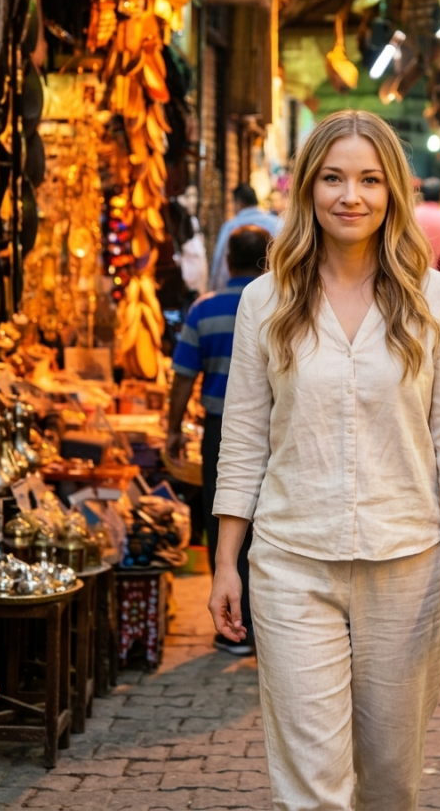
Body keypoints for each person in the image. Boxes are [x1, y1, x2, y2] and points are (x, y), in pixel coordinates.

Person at [209, 110, 440, 811]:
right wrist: (224, 562)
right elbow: (242, 439)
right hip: (290, 563)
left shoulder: (437, 302)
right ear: (306, 189)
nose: (350, 196)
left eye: (369, 180)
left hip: (407, 565)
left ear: (392, 191)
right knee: (313, 784)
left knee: (390, 779)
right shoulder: (264, 302)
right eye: (332, 178)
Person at [166, 225, 272, 656]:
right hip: (274, 427)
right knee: (268, 522)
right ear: (268, 258)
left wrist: (173, 428)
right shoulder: (276, 303)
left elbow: (183, 375)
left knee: (224, 516)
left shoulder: (204, 309)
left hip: (220, 429)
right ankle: (265, 621)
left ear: (227, 261)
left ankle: (232, 619)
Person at [208, 183, 279, 291]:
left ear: (239, 203)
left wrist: (215, 292)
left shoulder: (230, 227)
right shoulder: (277, 223)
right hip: (272, 291)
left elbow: (218, 264)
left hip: (234, 295)